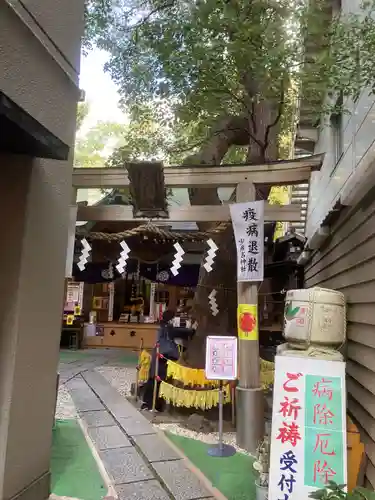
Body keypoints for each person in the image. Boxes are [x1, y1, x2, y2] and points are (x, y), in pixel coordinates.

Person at [141, 309, 179, 411]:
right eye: (174, 318)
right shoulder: (168, 329)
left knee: (154, 378)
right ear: (171, 319)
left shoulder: (163, 328)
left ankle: (148, 403)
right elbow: (175, 336)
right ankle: (154, 404)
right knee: (158, 380)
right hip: (163, 356)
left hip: (159, 354)